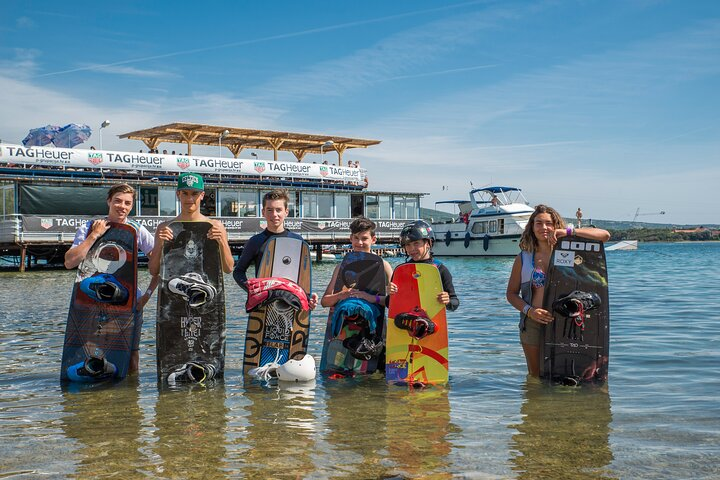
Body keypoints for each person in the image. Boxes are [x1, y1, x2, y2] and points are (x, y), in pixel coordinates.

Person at [505, 205, 610, 377]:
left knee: (570, 375)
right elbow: (511, 294)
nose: (544, 228)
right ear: (531, 227)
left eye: (549, 223)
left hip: (566, 323)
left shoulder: (571, 249)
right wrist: (529, 311)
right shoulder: (523, 258)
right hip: (534, 322)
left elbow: (605, 236)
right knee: (536, 376)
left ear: (556, 226)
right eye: (538, 223)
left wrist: (568, 232)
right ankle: (536, 404)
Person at [64, 183, 157, 373]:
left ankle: (130, 397)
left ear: (132, 206)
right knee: (87, 354)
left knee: (131, 356)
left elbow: (161, 265)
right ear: (109, 201)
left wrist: (146, 296)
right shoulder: (89, 227)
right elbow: (69, 262)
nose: (122, 206)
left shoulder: (137, 230)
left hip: (128, 303)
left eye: (127, 203)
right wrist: (95, 235)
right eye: (118, 201)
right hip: (91, 302)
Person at [233, 188, 318, 308]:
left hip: (292, 302)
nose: (274, 215)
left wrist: (308, 298)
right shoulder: (255, 241)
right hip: (264, 303)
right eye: (270, 210)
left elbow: (303, 275)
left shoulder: (298, 241)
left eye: (278, 210)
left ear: (286, 212)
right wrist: (253, 291)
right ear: (263, 212)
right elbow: (238, 271)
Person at [148, 173, 234, 276]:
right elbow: (153, 271)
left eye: (194, 194)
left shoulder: (215, 226)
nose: (189, 199)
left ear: (202, 195)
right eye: (185, 193)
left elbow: (228, 269)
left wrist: (222, 243)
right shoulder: (165, 228)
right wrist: (160, 245)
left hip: (206, 289)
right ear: (178, 194)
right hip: (173, 289)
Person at [320, 217, 394, 309]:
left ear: (373, 239)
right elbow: (324, 302)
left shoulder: (383, 265)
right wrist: (340, 295)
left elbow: (394, 301)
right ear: (351, 238)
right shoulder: (341, 266)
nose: (359, 242)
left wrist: (370, 298)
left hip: (373, 320)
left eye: (364, 238)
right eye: (356, 238)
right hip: (345, 319)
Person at [391, 220, 459, 312]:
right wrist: (391, 293)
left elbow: (454, 303)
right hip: (408, 320)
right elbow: (389, 304)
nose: (412, 249)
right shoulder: (401, 270)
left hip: (431, 320)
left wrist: (447, 301)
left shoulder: (440, 269)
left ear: (428, 243)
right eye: (408, 245)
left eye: (416, 243)